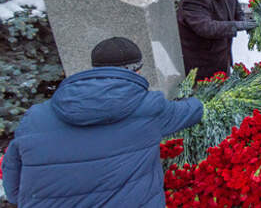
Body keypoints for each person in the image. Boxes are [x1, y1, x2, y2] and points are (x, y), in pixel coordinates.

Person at [1, 37, 204, 207]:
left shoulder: (36, 116)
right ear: (137, 70)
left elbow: (14, 183)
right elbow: (192, 111)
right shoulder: (147, 108)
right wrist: (195, 98)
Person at [177, 0, 254, 80]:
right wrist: (236, 26)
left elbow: (234, 4)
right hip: (202, 60)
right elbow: (205, 27)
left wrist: (243, 19)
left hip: (222, 52)